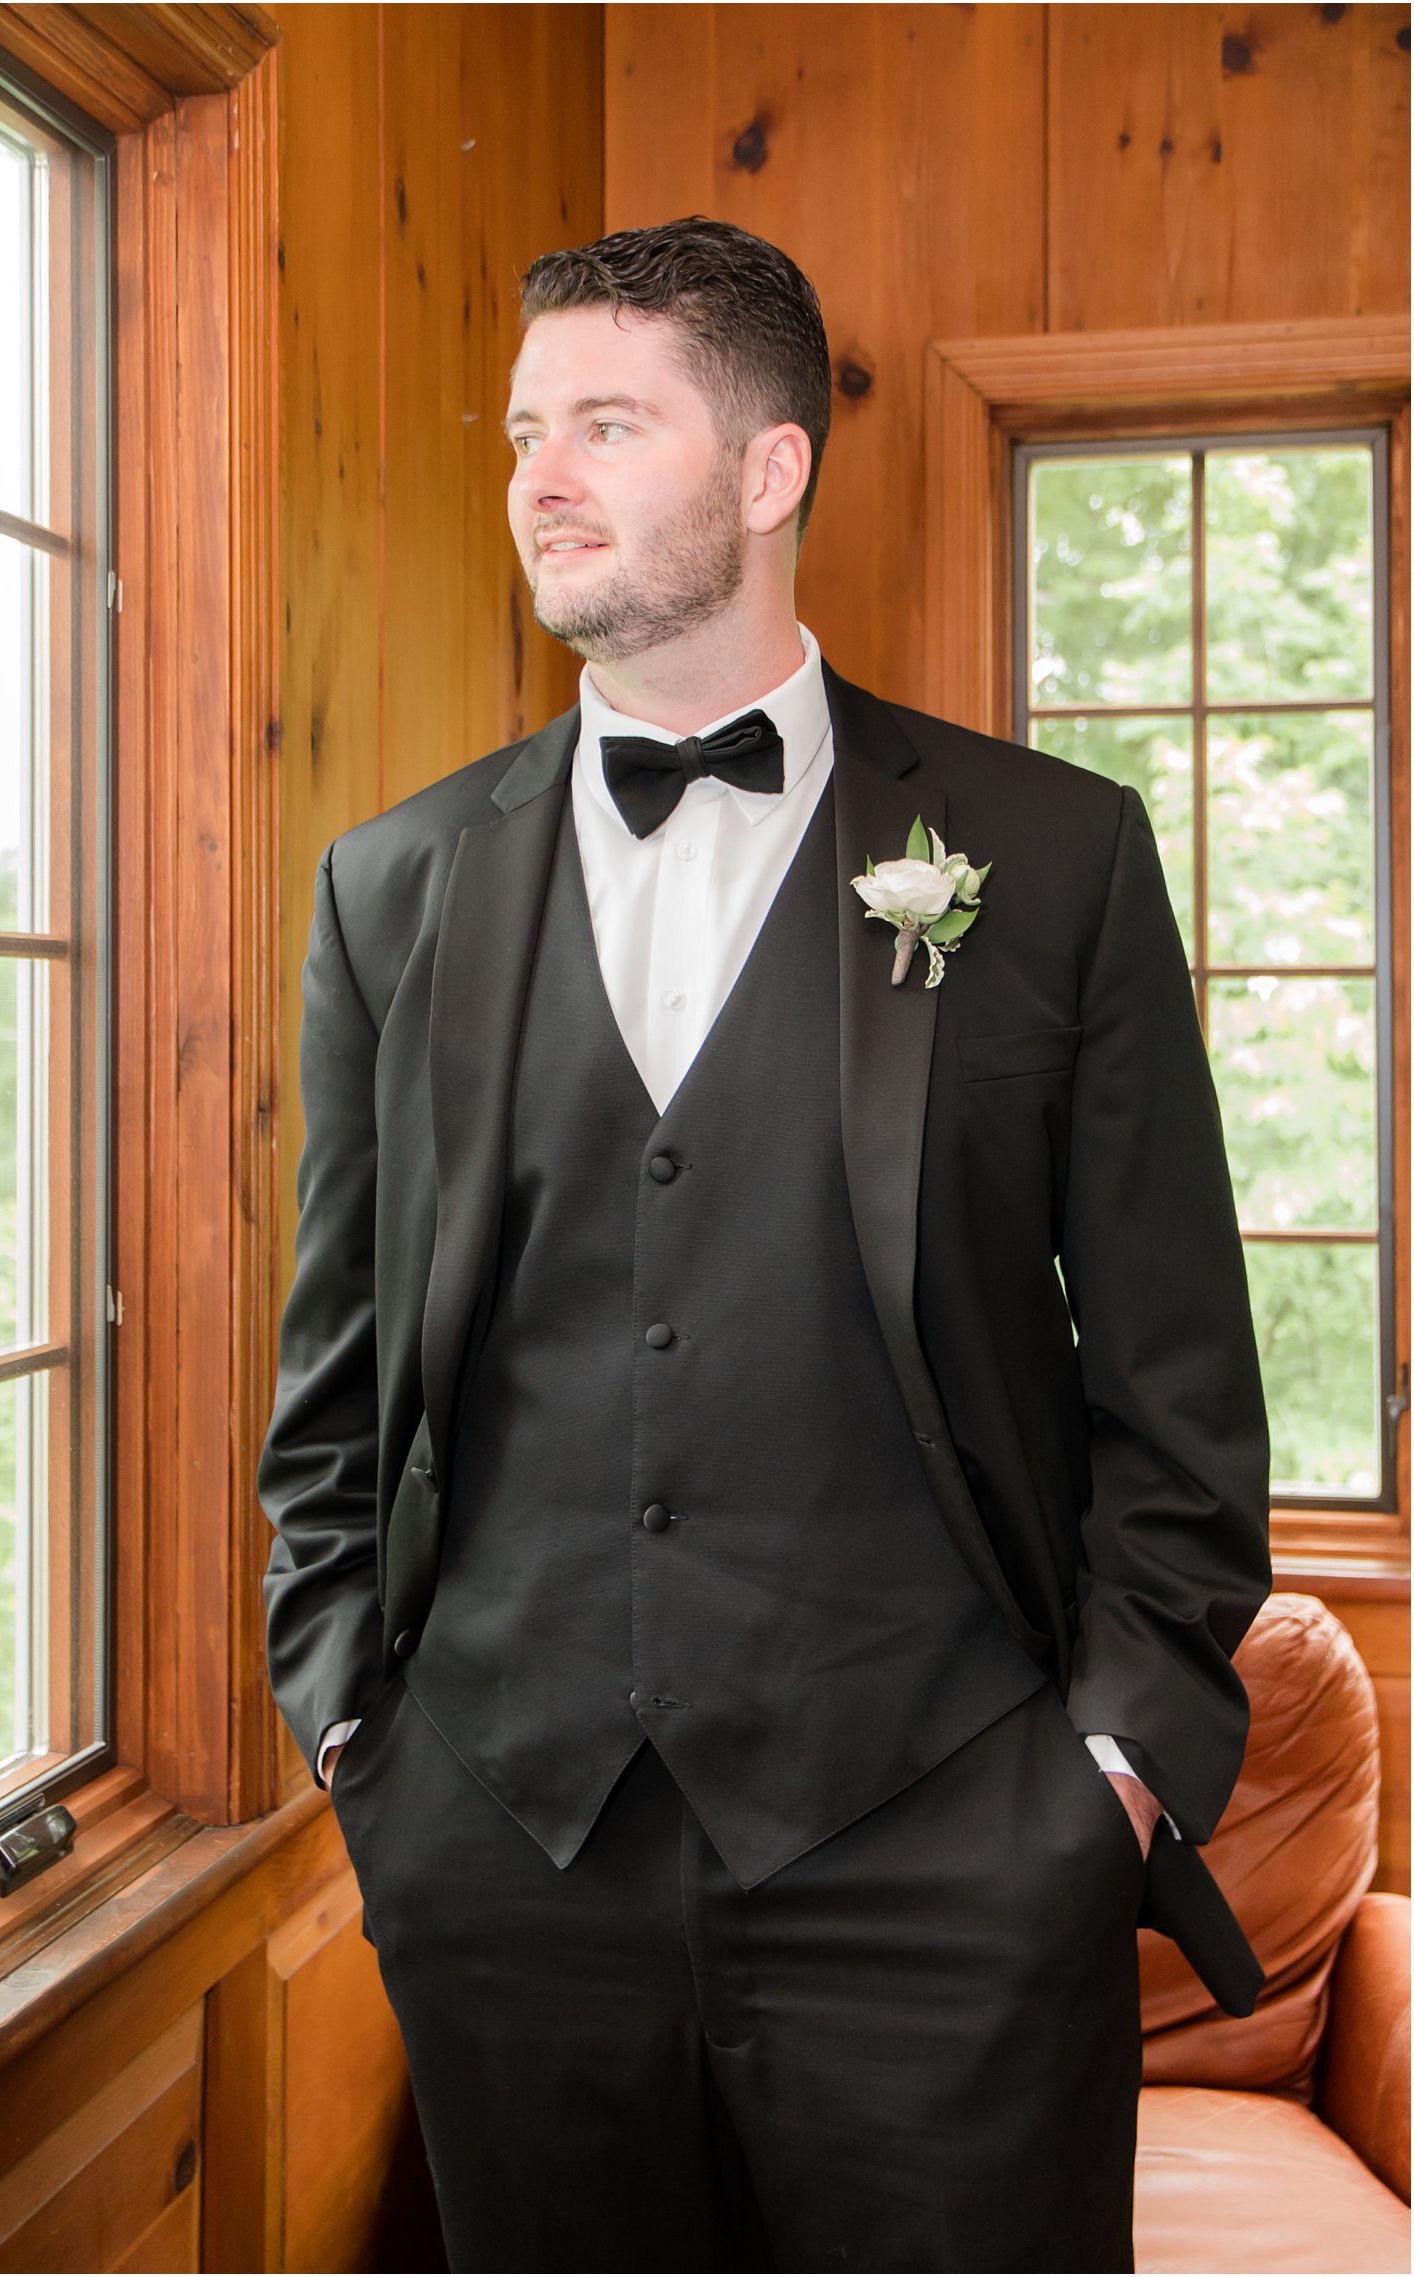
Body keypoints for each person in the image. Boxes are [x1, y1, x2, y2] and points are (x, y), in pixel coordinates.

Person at [259, 215, 1272, 2274]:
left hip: (950, 1857)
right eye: (526, 427)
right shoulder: (392, 887)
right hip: (503, 1858)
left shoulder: (1049, 859)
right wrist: (359, 1729)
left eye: (606, 424)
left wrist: (1106, 1780)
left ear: (769, 466)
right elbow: (334, 1388)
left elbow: (1177, 1381)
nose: (538, 475)